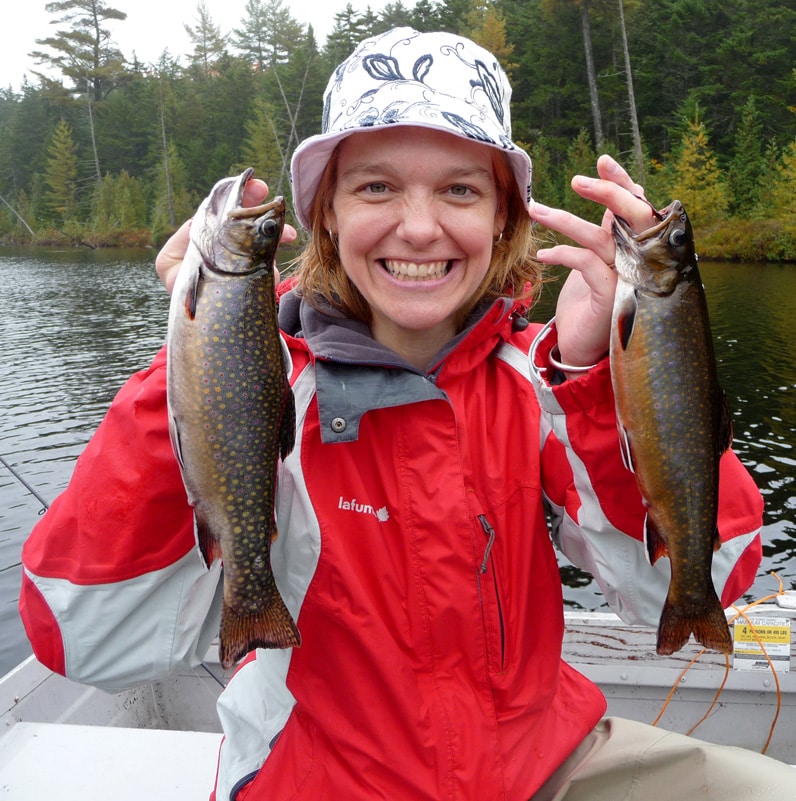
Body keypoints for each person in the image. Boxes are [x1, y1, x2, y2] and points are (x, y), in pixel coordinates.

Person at [18, 26, 794, 801]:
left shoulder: (541, 383)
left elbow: (701, 587)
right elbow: (82, 635)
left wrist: (597, 375)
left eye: (459, 189)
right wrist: (198, 354)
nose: (418, 227)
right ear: (325, 216)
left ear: (503, 220)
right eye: (376, 187)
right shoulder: (272, 392)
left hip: (541, 761)